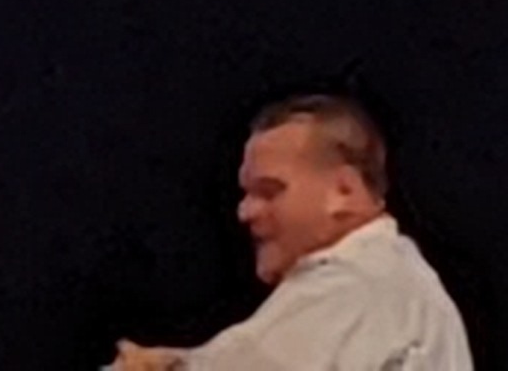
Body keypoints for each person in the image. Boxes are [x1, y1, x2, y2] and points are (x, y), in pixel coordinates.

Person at [112, 94, 473, 371]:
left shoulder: (356, 281)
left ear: (344, 191)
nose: (245, 212)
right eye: (246, 194)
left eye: (269, 192)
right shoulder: (395, 284)